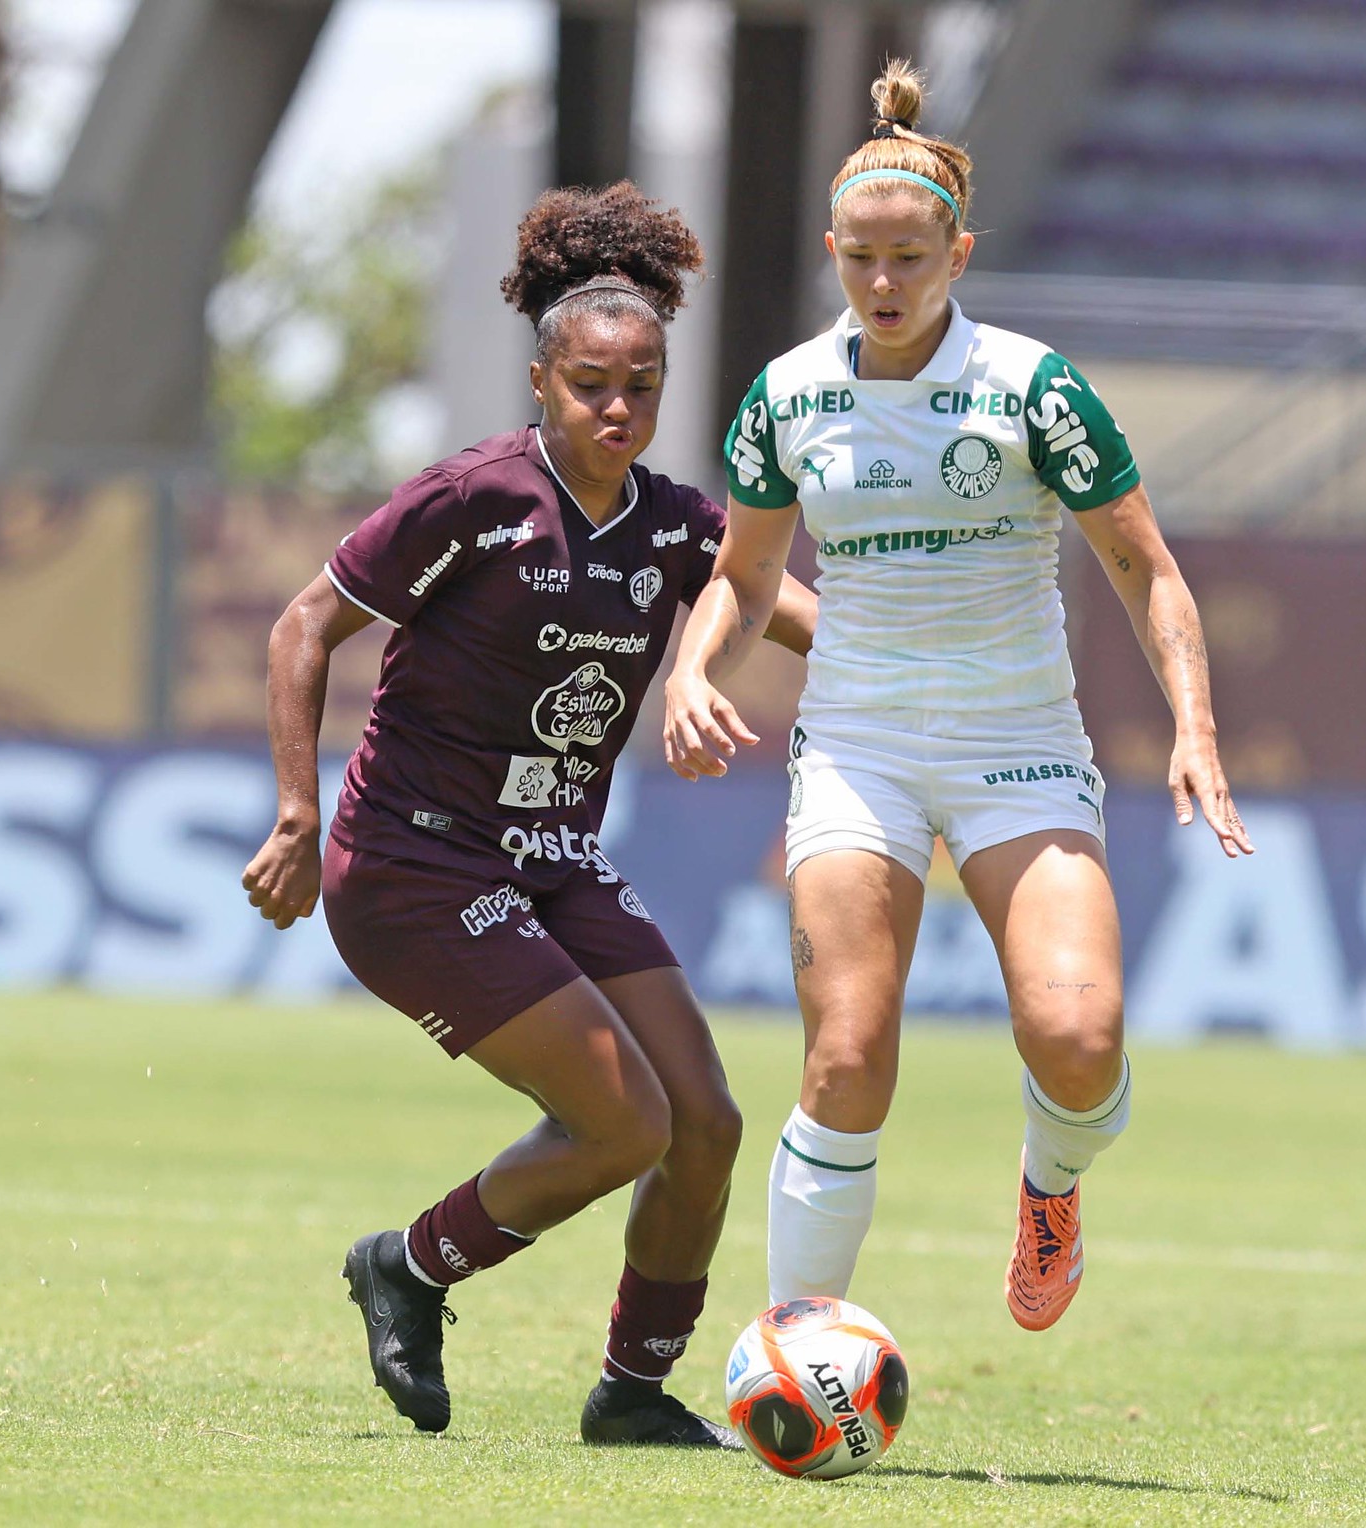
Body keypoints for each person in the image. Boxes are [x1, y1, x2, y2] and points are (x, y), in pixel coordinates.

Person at [663, 61, 1252, 1333]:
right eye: (861, 258)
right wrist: (690, 669)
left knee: (1078, 1037)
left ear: (958, 251)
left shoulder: (1033, 389)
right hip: (858, 746)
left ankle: (1052, 1187)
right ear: (831, 251)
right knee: (844, 1052)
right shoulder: (784, 397)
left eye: (911, 258)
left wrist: (1195, 728)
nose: (883, 284)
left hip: (1018, 746)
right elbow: (744, 576)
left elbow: (1145, 567)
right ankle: (794, 1343)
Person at [241, 182, 816, 1442]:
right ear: (542, 381)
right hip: (412, 869)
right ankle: (408, 1264)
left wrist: (925, 675)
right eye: (590, 387)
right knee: (625, 1120)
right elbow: (304, 625)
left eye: (642, 389)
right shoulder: (474, 499)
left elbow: (795, 616)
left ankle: (631, 1393)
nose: (618, 411)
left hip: (549, 862)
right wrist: (294, 812)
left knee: (706, 1124)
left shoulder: (671, 526)